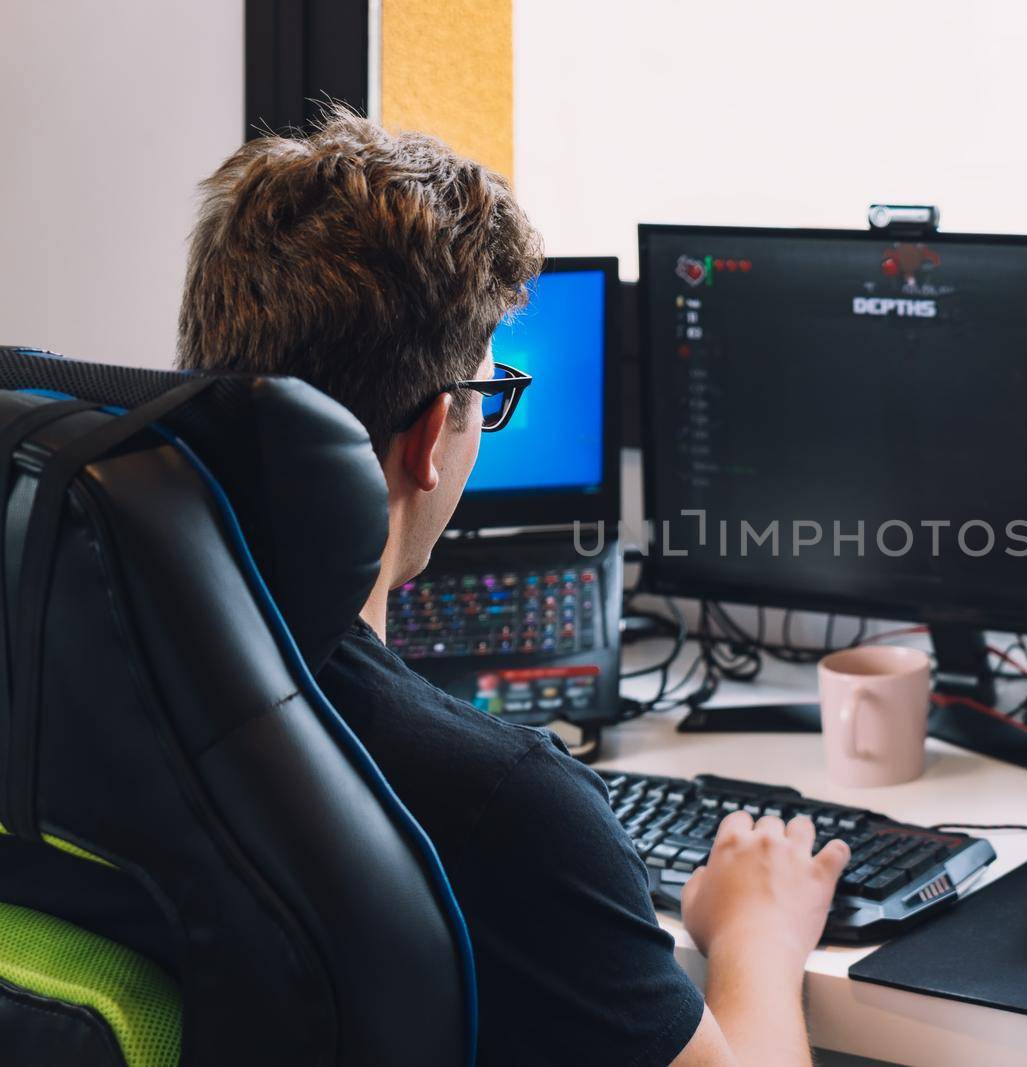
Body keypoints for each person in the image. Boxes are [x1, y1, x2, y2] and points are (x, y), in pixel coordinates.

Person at [176, 108, 848, 1067]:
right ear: (429, 435)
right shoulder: (501, 800)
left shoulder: (71, 650)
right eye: (490, 398)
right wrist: (758, 939)